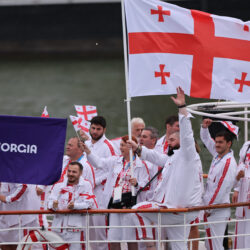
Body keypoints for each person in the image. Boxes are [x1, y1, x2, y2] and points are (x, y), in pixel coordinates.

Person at [128, 87, 203, 250]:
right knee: (179, 246)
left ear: (182, 141)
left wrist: (181, 107)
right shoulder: (174, 158)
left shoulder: (188, 155)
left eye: (172, 139)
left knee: (136, 210)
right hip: (179, 210)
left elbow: (187, 135)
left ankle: (150, 246)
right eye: (168, 139)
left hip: (176, 209)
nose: (168, 142)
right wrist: (137, 148)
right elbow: (156, 157)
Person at [81, 135, 150, 250]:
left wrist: (137, 184)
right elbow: (99, 163)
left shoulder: (140, 164)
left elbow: (146, 183)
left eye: (123, 145)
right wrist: (89, 152)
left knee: (130, 237)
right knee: (113, 237)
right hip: (115, 202)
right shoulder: (115, 160)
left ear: (130, 146)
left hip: (130, 204)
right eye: (121, 145)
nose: (121, 148)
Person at [200, 118, 237, 250]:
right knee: (210, 244)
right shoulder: (218, 155)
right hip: (210, 209)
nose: (217, 145)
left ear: (229, 144)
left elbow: (220, 188)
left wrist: (209, 208)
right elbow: (206, 140)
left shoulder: (229, 163)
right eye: (216, 142)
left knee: (215, 245)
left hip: (217, 210)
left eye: (220, 142)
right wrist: (204, 128)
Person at [48, 161, 97, 250]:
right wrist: (54, 206)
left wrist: (75, 206)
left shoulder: (86, 184)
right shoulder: (58, 184)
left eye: (74, 172)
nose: (70, 174)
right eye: (69, 171)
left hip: (76, 230)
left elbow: (90, 203)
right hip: (58, 229)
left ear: (81, 173)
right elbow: (50, 203)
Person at [84, 115, 116, 250]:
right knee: (89, 231)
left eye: (98, 129)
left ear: (104, 129)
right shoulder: (87, 144)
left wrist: (94, 182)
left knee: (100, 232)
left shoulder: (109, 146)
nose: (95, 131)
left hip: (100, 193)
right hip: (86, 191)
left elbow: (112, 170)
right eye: (93, 128)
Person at [0, 183, 38, 250]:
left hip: (19, 219)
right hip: (4, 218)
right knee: (5, 246)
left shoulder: (15, 173)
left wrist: (7, 199)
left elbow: (24, 187)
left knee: (22, 246)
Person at [232, 140, 250, 249]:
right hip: (243, 191)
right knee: (242, 225)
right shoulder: (247, 145)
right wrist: (237, 188)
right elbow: (241, 164)